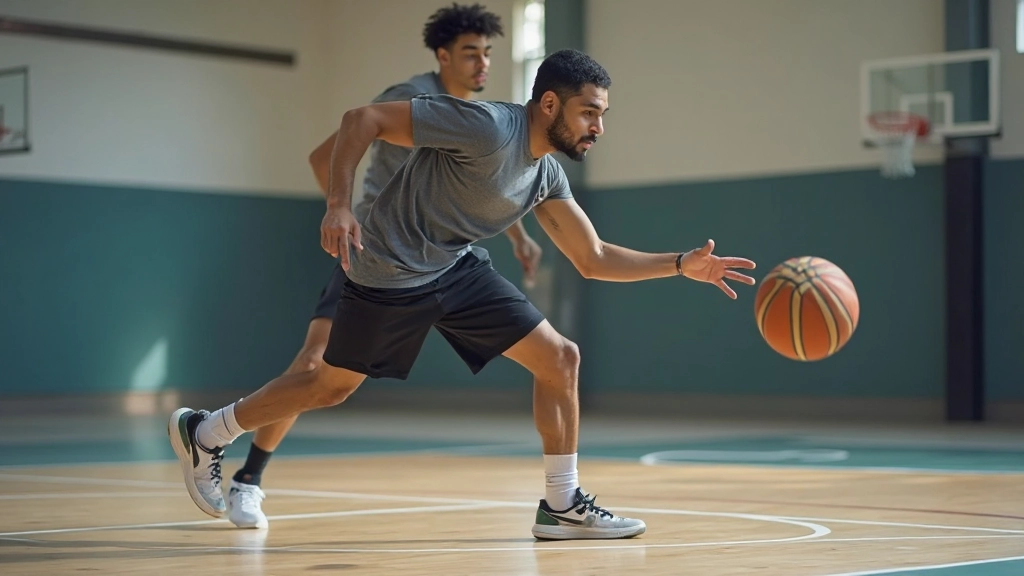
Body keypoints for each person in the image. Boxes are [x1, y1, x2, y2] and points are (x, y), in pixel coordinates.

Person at [168, 48, 756, 540]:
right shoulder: (486, 127)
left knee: (560, 357)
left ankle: (561, 504)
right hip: (389, 270)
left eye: (601, 115)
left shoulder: (547, 173)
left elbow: (593, 258)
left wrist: (682, 265)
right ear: (549, 104)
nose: (597, 127)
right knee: (329, 385)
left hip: (454, 268)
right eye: (589, 113)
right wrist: (340, 204)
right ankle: (208, 430)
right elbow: (361, 119)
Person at [221, 3, 542, 529]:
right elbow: (324, 156)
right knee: (311, 369)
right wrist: (342, 208)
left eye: (487, 53)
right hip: (377, 257)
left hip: (442, 264)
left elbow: (473, 191)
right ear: (443, 56)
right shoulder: (407, 97)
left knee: (552, 355)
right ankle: (246, 479)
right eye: (470, 53)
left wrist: (522, 236)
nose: (483, 63)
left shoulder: (482, 122)